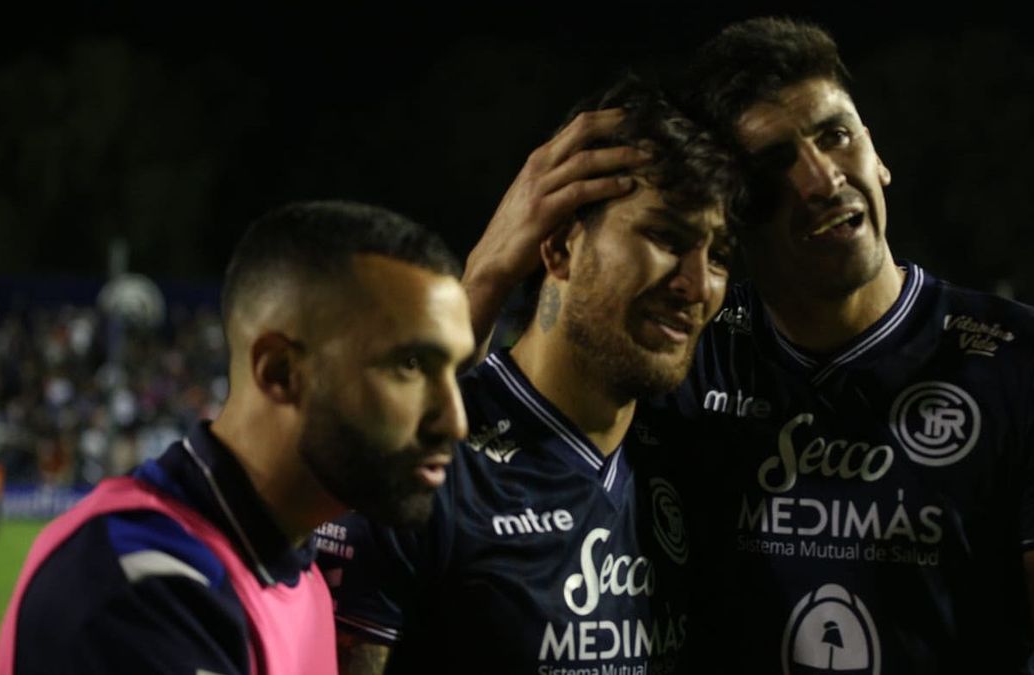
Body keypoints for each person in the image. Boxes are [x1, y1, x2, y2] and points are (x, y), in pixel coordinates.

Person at [464, 18, 1034, 675]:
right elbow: (448, 453)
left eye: (836, 136)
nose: (823, 179)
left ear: (876, 153)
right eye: (775, 163)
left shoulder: (1033, 367)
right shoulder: (688, 348)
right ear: (736, 207)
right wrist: (489, 272)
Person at [316, 77, 741, 674]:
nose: (698, 286)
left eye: (718, 255)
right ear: (559, 249)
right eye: (665, 237)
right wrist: (483, 275)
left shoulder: (694, 459)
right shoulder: (426, 463)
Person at [0, 201, 475, 674]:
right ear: (281, 371)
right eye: (410, 366)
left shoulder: (295, 571)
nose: (455, 421)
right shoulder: (138, 586)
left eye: (455, 370)